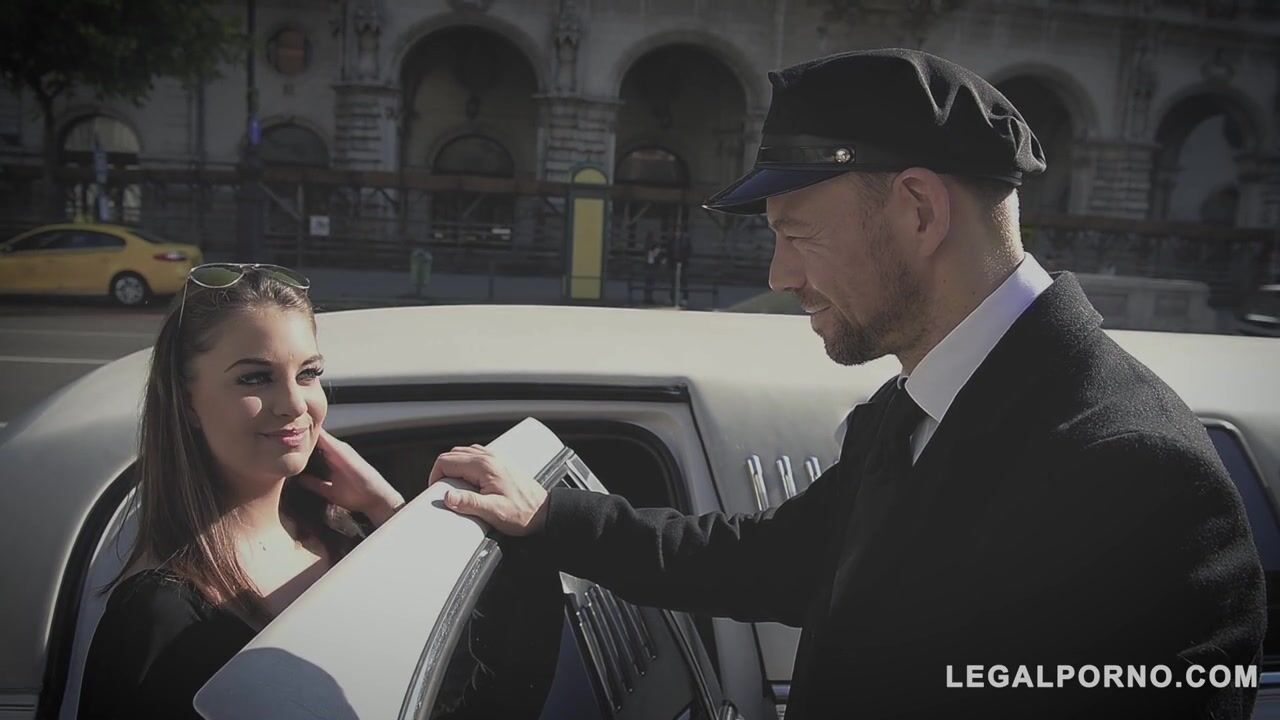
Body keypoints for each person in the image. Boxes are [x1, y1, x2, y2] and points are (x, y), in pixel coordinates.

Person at [428, 49, 1266, 718]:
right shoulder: (915, 408)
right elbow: (765, 560)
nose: (779, 274)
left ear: (919, 211)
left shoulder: (1133, 468)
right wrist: (552, 519)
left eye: (797, 234)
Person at [79, 264, 405, 719]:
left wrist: (387, 508)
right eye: (254, 378)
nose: (294, 404)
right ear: (187, 402)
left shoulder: (344, 534)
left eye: (308, 373)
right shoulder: (158, 615)